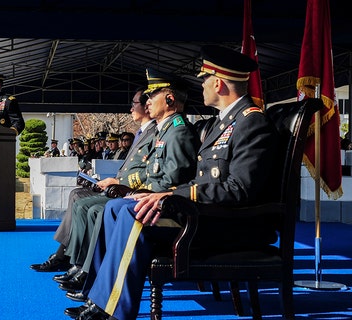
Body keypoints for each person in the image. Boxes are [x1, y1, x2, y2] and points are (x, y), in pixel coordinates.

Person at [74, 46, 280, 320]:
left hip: (230, 222)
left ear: (218, 83)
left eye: (204, 79)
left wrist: (171, 196)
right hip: (208, 212)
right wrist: (165, 194)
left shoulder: (251, 123)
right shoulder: (223, 123)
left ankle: (113, 311)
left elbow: (239, 189)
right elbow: (202, 179)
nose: (201, 86)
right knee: (117, 208)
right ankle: (99, 298)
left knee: (133, 217)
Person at [58, 69, 200, 297]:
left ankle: (96, 283)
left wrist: (137, 192)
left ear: (170, 99)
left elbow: (171, 181)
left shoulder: (178, 132)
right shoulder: (165, 131)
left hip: (167, 208)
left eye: (153, 95)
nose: (149, 101)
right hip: (151, 198)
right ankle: (93, 280)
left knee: (105, 209)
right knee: (103, 208)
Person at [31, 87, 157, 272]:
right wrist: (113, 180)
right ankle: (64, 254)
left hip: (131, 191)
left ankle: (75, 260)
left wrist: (118, 183)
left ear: (146, 107)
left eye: (134, 104)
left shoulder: (154, 132)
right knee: (76, 193)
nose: (130, 108)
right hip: (120, 185)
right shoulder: (142, 133)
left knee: (84, 204)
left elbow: (147, 171)